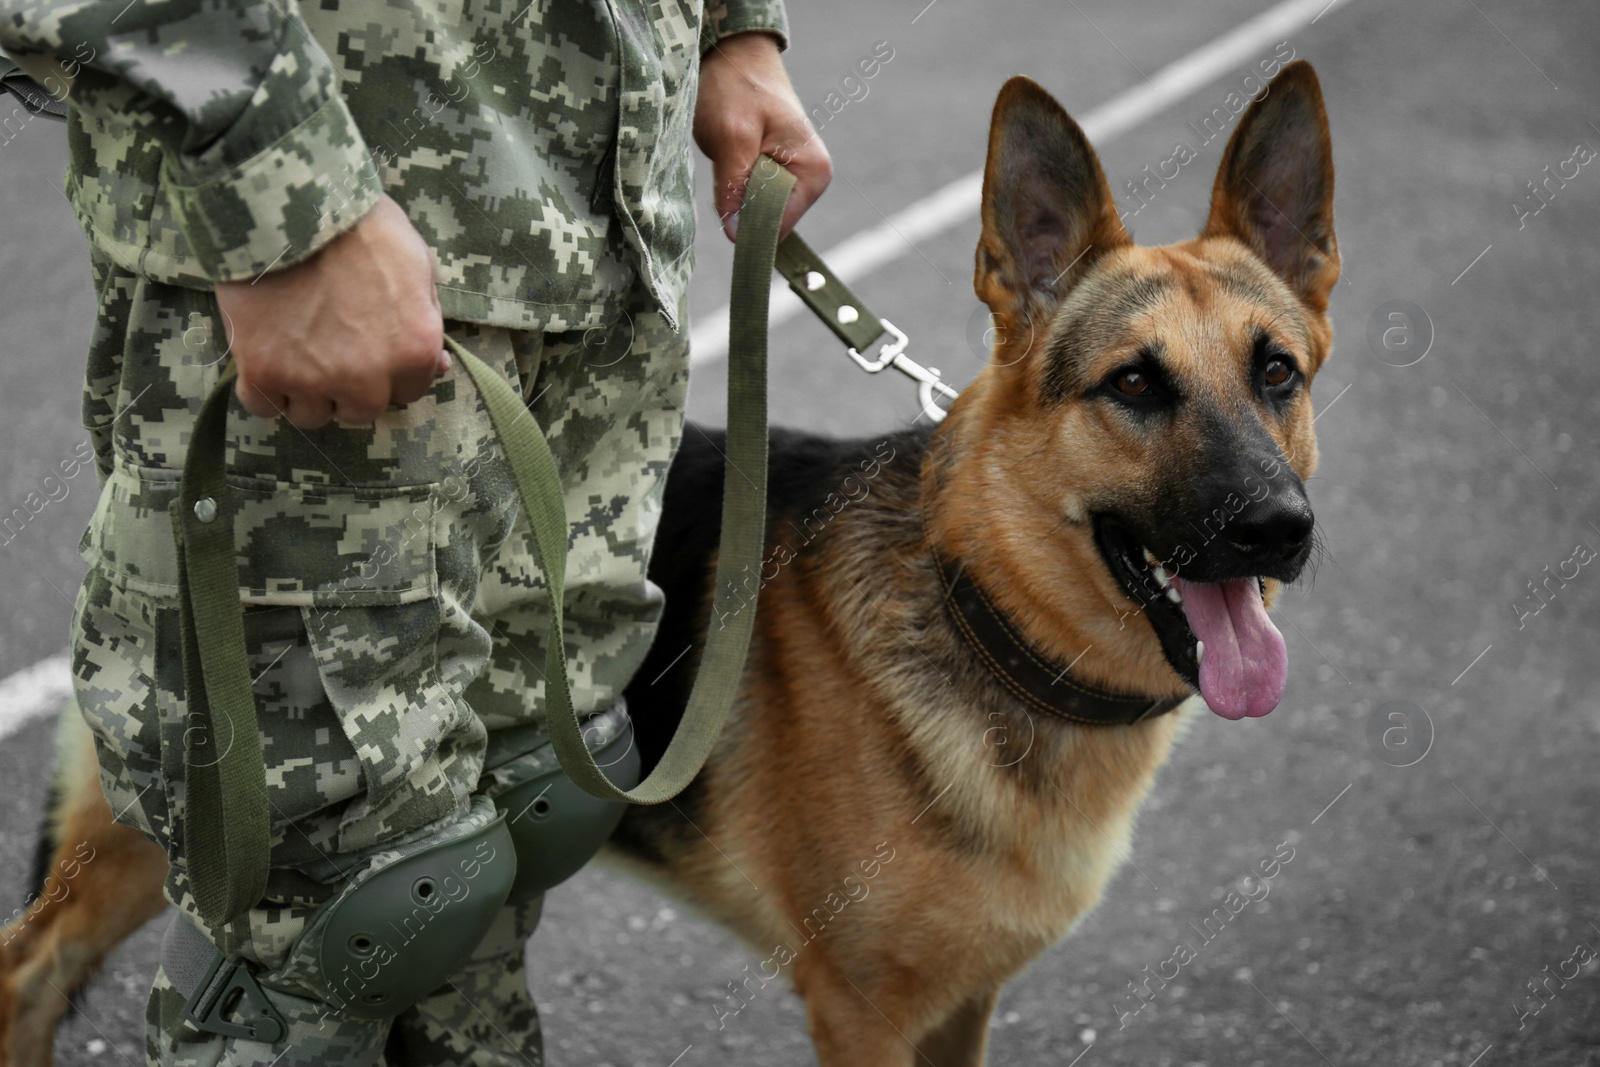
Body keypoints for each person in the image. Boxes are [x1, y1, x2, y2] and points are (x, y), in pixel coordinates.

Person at [0, 0, 830, 1061]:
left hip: (597, 240)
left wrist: (731, 31)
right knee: (338, 907)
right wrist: (283, 189)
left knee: (519, 815)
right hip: (340, 233)